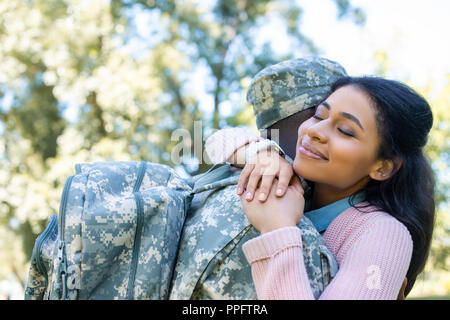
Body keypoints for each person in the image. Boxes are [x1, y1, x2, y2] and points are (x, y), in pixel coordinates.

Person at [210, 74, 435, 299]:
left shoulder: (383, 234)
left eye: (345, 130)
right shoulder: (290, 172)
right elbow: (217, 141)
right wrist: (261, 154)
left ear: (383, 167)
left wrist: (276, 228)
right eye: (319, 116)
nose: (314, 131)